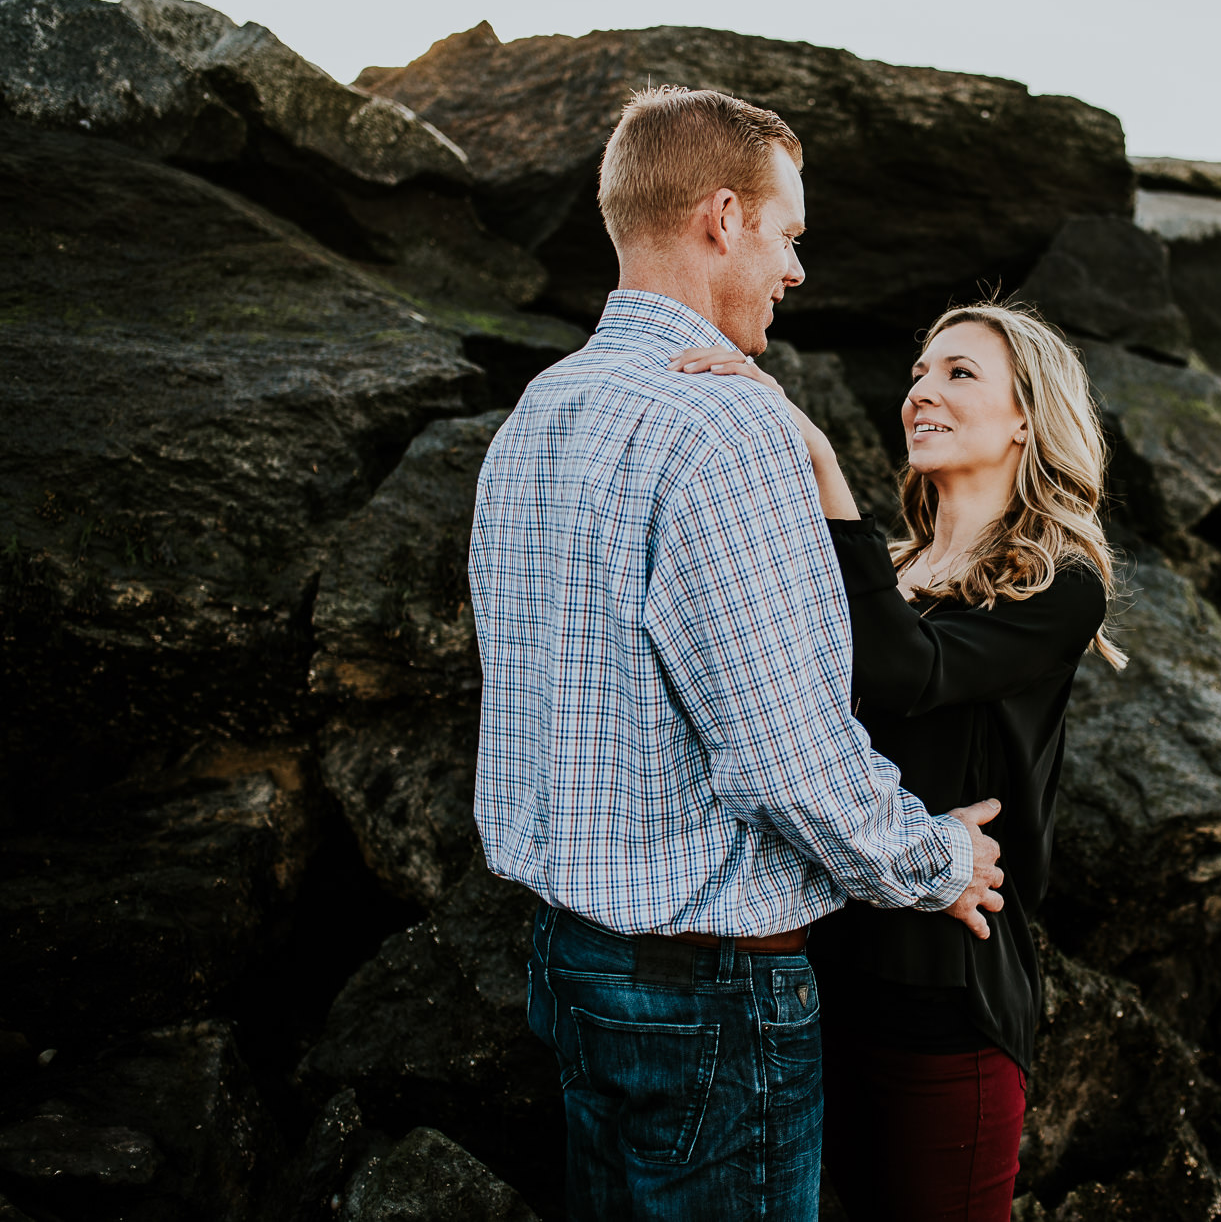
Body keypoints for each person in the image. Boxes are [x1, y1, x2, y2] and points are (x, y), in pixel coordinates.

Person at [468, 85, 1007, 1221]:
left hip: (569, 964)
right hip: (709, 990)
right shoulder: (724, 423)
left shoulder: (538, 411)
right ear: (722, 216)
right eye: (788, 235)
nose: (796, 272)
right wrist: (934, 859)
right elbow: (785, 758)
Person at [673, 300, 1123, 1221]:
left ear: (1028, 418)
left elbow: (908, 671)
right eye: (920, 372)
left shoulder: (1060, 584)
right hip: (820, 975)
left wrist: (817, 460)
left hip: (944, 1005)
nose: (923, 391)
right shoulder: (889, 565)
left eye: (961, 373)